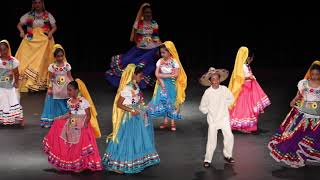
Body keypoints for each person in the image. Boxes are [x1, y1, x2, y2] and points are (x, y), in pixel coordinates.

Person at [103, 64, 160, 174]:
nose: (141, 77)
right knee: (126, 139)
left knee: (137, 139)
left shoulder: (135, 86)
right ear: (133, 75)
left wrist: (142, 106)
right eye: (140, 75)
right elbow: (119, 104)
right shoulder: (127, 88)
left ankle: (136, 159)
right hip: (130, 117)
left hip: (137, 114)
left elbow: (137, 99)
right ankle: (119, 164)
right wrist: (131, 110)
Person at [268, 61, 320, 168]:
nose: (314, 76)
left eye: (317, 74)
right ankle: (293, 157)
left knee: (308, 140)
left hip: (316, 117)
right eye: (313, 74)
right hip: (302, 114)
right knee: (296, 136)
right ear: (310, 73)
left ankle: (303, 157)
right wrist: (293, 101)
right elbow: (298, 96)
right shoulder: (304, 83)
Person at [43, 79, 102, 172]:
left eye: (70, 90)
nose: (68, 92)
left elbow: (88, 114)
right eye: (68, 90)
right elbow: (70, 114)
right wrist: (60, 117)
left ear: (76, 90)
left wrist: (85, 123)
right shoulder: (69, 101)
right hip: (72, 123)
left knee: (79, 145)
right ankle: (74, 163)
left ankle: (81, 165)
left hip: (81, 125)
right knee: (71, 145)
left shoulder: (83, 101)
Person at [105, 3, 161, 88]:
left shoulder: (154, 24)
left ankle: (139, 85)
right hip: (139, 50)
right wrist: (140, 43)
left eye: (149, 12)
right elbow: (133, 39)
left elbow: (156, 38)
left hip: (150, 50)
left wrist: (164, 45)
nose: (148, 14)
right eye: (146, 12)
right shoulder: (139, 23)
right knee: (130, 65)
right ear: (143, 13)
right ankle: (123, 84)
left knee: (147, 67)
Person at [16, 0, 57, 92]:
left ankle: (40, 84)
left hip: (44, 40)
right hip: (31, 39)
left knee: (41, 60)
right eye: (35, 3)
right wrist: (22, 31)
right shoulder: (29, 15)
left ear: (42, 3)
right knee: (26, 58)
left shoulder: (47, 14)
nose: (37, 4)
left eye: (39, 2)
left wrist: (50, 32)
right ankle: (28, 83)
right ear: (33, 4)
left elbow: (54, 26)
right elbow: (19, 25)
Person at [228, 46, 271, 133]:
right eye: (251, 58)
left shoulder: (245, 66)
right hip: (244, 91)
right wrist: (250, 77)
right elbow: (240, 78)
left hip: (248, 89)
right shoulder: (242, 66)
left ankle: (248, 126)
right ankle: (243, 126)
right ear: (247, 57)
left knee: (249, 108)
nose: (252, 60)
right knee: (244, 108)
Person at [199, 67, 235, 168]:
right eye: (213, 79)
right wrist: (208, 111)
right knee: (211, 140)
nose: (215, 81)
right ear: (210, 81)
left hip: (224, 118)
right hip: (213, 120)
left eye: (217, 79)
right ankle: (208, 159)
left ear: (220, 79)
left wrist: (225, 104)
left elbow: (231, 99)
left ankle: (228, 155)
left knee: (229, 136)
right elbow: (202, 107)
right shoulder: (208, 92)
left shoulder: (224, 89)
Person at [148, 41, 187, 131]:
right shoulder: (160, 61)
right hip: (161, 84)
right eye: (161, 52)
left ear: (169, 52)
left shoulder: (174, 62)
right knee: (164, 102)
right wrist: (167, 76)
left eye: (164, 52)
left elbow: (176, 75)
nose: (162, 54)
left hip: (171, 84)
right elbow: (157, 74)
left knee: (172, 102)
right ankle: (165, 121)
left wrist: (165, 76)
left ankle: (172, 122)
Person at [40, 44, 73, 128]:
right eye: (58, 56)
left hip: (65, 87)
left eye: (62, 56)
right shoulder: (52, 67)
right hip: (56, 87)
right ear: (55, 57)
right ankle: (56, 120)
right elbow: (50, 78)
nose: (60, 58)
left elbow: (69, 76)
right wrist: (50, 88)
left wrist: (74, 85)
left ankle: (66, 118)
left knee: (66, 102)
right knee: (55, 103)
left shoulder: (67, 65)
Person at [0, 40, 24, 126]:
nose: (3, 52)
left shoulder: (12, 61)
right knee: (2, 102)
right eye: (1, 50)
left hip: (10, 85)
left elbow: (17, 73)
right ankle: (4, 119)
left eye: (5, 49)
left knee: (13, 101)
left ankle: (19, 119)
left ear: (8, 49)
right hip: (1, 86)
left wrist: (16, 82)